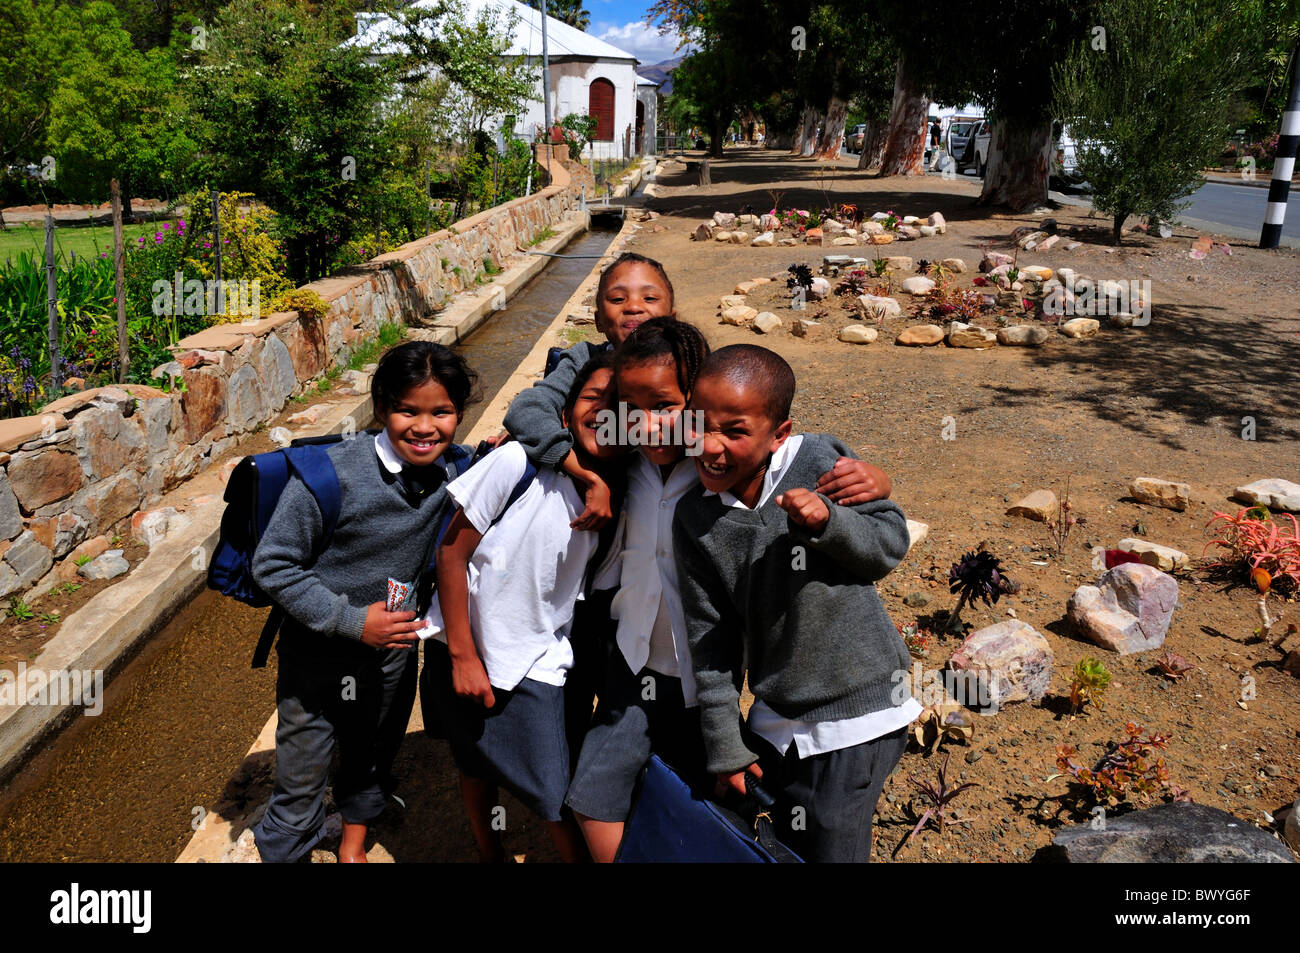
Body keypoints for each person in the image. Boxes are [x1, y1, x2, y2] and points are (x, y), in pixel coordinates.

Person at [554, 318, 895, 862]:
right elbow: (557, 399)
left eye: (667, 407)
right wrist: (549, 449)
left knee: (799, 823)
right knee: (605, 791)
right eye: (632, 408)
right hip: (642, 662)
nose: (652, 424)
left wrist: (852, 499)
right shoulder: (635, 472)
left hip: (809, 700)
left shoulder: (756, 467)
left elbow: (881, 537)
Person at [673, 344, 920, 863]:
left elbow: (888, 544)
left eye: (735, 431)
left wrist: (830, 523)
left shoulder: (816, 462)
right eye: (698, 424)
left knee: (833, 843)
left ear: (778, 434)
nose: (710, 447)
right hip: (776, 716)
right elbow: (710, 640)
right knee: (782, 839)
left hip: (858, 714)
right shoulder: (695, 518)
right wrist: (724, 747)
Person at [250, 340, 478, 863]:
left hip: (392, 655)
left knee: (374, 750)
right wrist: (353, 621)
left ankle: (353, 845)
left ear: (459, 414)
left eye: (441, 412)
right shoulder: (331, 477)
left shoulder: (457, 472)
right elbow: (273, 565)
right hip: (316, 655)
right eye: (407, 410)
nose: (425, 428)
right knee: (302, 769)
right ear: (380, 410)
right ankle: (288, 848)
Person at [423, 353, 626, 862]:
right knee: (473, 762)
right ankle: (489, 850)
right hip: (467, 646)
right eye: (593, 398)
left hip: (537, 656)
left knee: (552, 790)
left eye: (621, 405)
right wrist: (463, 658)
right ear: (563, 416)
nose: (606, 411)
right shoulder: (517, 465)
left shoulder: (617, 501)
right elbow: (452, 553)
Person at [503, 252, 677, 533]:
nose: (633, 307)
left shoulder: (686, 366)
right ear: (598, 321)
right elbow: (527, 410)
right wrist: (585, 472)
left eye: (649, 298)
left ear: (673, 318)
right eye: (618, 299)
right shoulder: (584, 359)